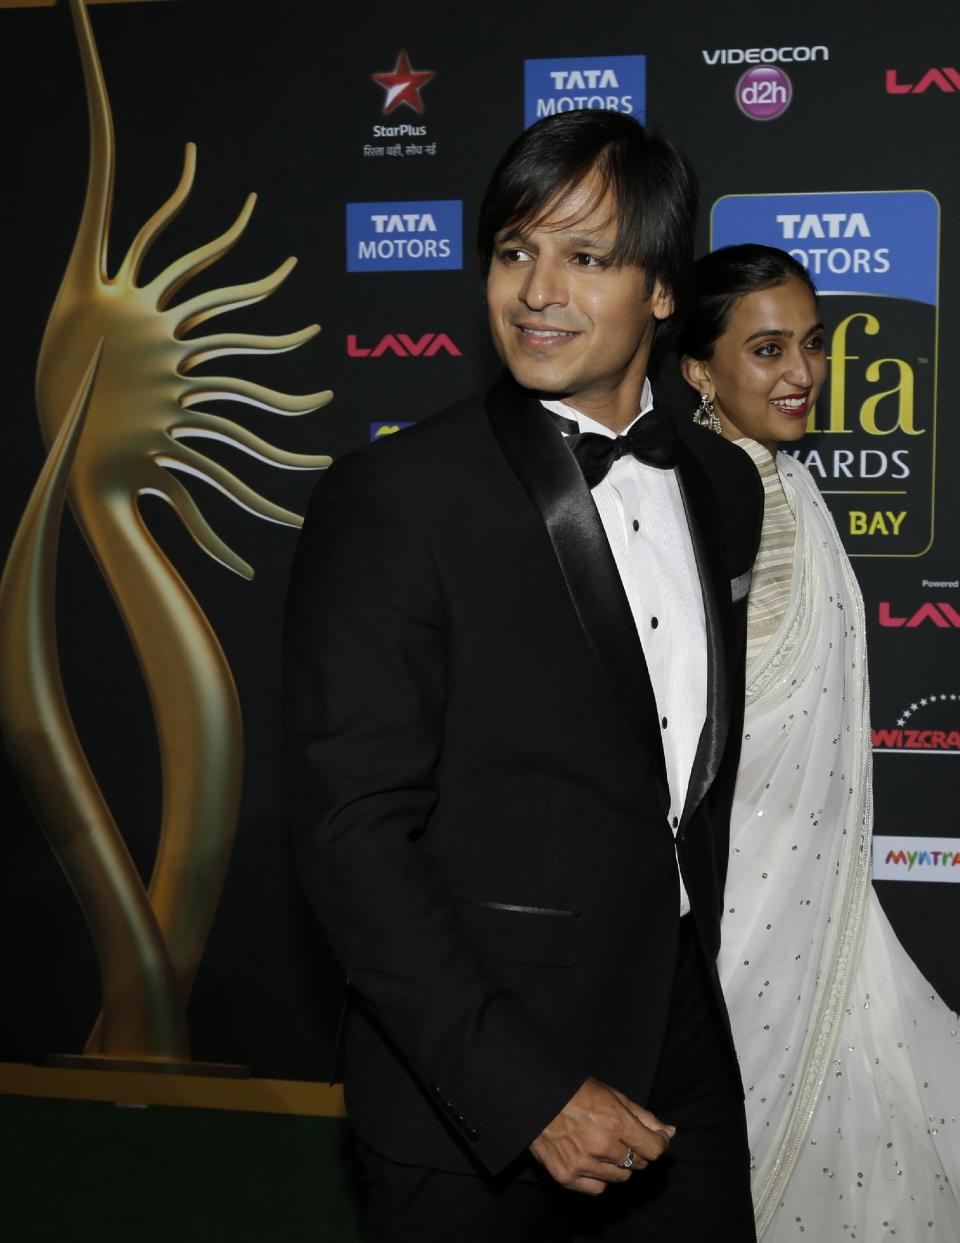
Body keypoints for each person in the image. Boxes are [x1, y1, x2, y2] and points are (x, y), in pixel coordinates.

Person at [283, 110, 762, 1242]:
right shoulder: (397, 497)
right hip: (479, 1097)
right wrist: (524, 1087)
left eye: (585, 257)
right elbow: (351, 834)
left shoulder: (720, 484)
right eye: (514, 251)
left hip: (683, 1049)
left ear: (660, 293)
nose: (536, 289)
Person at [679, 243, 960, 1240]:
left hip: (810, 895)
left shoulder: (787, 486)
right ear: (699, 370)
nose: (801, 372)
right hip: (729, 904)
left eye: (812, 343)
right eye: (765, 349)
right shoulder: (703, 497)